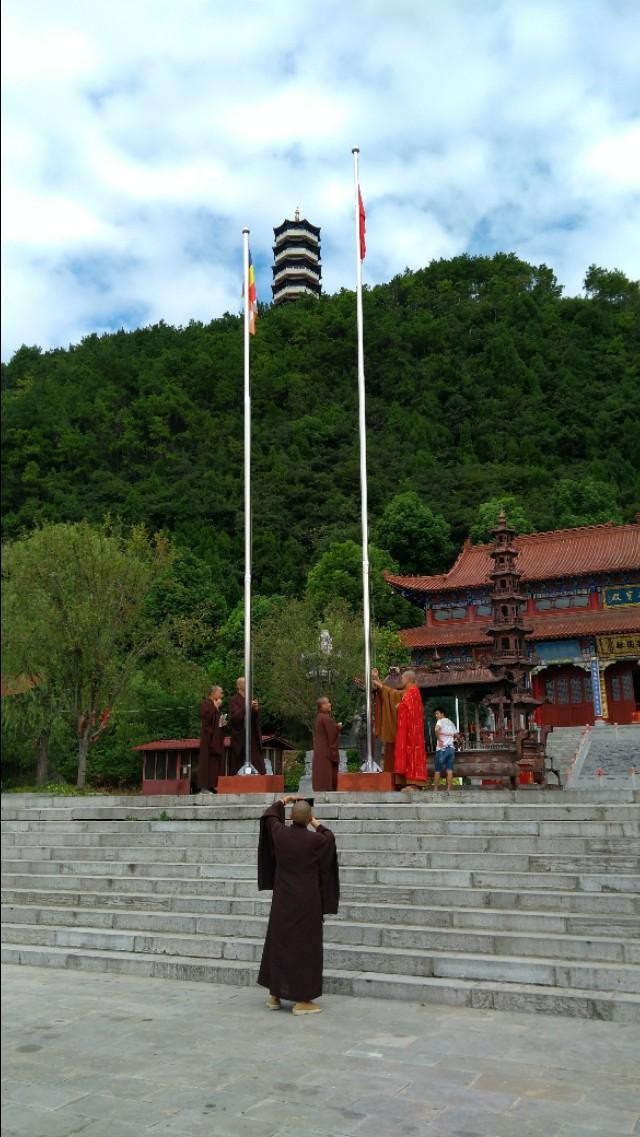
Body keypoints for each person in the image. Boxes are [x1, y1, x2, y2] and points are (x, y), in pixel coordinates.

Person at [258, 794, 339, 1015]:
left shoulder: (280, 834)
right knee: (304, 947)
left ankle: (275, 995)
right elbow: (329, 836)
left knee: (280, 942)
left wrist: (284, 800)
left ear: (291, 817)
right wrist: (315, 822)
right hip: (307, 901)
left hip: (283, 899)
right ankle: (302, 1000)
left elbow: (269, 816)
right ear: (308, 817)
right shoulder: (316, 841)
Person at [372, 668, 427, 790]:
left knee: (411, 757)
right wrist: (378, 682)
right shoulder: (409, 691)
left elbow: (406, 707)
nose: (400, 680)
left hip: (411, 734)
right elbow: (394, 694)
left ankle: (413, 783)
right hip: (410, 733)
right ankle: (404, 783)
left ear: (407, 679)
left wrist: (400, 707)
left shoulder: (412, 692)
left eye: (402, 678)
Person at [229, 677, 265, 774]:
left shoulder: (251, 697)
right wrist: (247, 706)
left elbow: (255, 718)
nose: (247, 684)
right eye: (244, 683)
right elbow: (235, 717)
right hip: (240, 735)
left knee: (256, 759)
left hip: (252, 733)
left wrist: (256, 710)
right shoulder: (234, 700)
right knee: (239, 759)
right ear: (238, 686)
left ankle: (259, 776)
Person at [197, 685, 226, 793]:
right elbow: (207, 720)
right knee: (207, 762)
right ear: (213, 693)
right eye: (220, 693)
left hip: (217, 740)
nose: (222, 695)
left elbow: (220, 724)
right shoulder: (206, 704)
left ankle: (213, 785)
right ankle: (204, 786)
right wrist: (215, 708)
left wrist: (224, 720)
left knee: (216, 763)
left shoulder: (217, 707)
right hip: (208, 739)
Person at [312, 696, 342, 791]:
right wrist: (338, 728)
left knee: (321, 770)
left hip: (320, 750)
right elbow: (332, 734)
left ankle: (321, 787)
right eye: (327, 703)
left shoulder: (319, 717)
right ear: (321, 706)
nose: (330, 704)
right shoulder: (325, 718)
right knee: (326, 770)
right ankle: (327, 788)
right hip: (325, 751)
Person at [433, 708, 457, 792]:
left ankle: (435, 789)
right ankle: (449, 789)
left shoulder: (440, 721)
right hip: (451, 749)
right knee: (449, 770)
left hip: (441, 749)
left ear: (442, 714)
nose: (436, 716)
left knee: (437, 770)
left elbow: (436, 729)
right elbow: (456, 735)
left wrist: (439, 739)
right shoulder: (451, 722)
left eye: (437, 713)